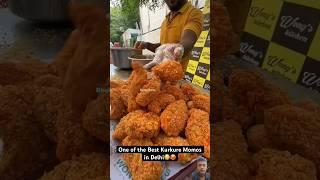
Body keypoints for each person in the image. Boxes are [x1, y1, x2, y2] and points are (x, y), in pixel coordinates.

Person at [134, 0, 203, 70]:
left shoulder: (194, 13)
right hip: (159, 73)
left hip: (177, 76)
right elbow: (163, 48)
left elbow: (188, 40)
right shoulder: (165, 21)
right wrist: (147, 45)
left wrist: (179, 49)